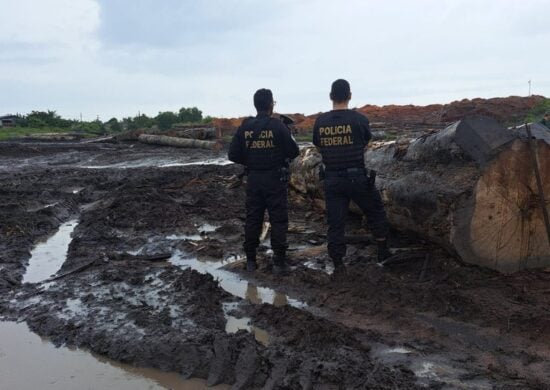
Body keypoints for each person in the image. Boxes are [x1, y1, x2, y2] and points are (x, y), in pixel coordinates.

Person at [312, 79, 391, 274]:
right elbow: (365, 141)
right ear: (349, 96)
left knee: (335, 222)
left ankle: (338, 263)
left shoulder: (321, 122)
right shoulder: (359, 119)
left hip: (332, 179)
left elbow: (318, 145)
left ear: (331, 96)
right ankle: (382, 251)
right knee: (375, 211)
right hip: (356, 177)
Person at [228, 89, 300, 274]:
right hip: (274, 179)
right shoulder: (278, 126)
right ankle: (279, 262)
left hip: (253, 179)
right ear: (271, 105)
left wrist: (251, 161)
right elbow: (294, 152)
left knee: (253, 219)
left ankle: (251, 261)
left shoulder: (245, 126)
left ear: (255, 104)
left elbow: (233, 154)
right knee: (278, 220)